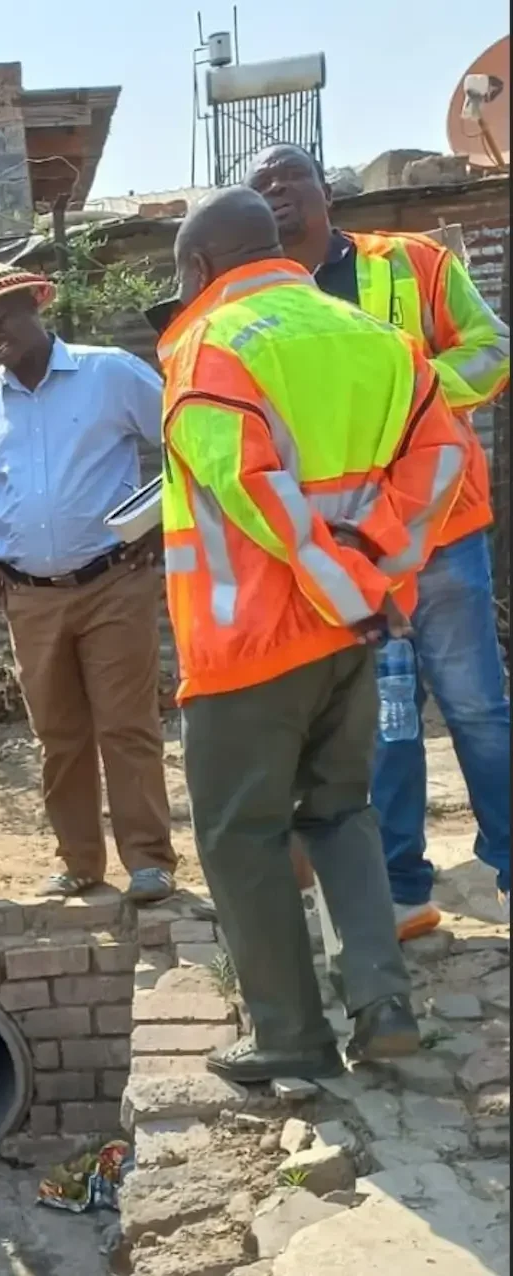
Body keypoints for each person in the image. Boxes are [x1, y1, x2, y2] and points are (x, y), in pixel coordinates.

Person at [159, 188, 467, 1081]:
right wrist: (371, 581)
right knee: (341, 813)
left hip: (246, 644)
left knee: (241, 835)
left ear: (199, 270)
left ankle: (291, 1036)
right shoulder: (381, 341)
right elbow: (443, 459)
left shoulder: (210, 351)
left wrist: (341, 587)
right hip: (352, 639)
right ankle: (383, 1005)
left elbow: (255, 496)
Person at [247, 144, 511, 934]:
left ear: (323, 190)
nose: (275, 193)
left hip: (440, 530)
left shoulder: (413, 264)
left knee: (476, 707)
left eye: (286, 178)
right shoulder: (261, 307)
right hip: (352, 551)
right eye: (259, 188)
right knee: (388, 722)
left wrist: (419, 391)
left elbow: (492, 348)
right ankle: (405, 891)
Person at [0, 238, 178, 904]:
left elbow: (185, 436)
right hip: (31, 597)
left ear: (33, 306)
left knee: (127, 725)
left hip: (114, 582)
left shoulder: (110, 374)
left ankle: (149, 863)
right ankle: (79, 862)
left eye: (3, 318)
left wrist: (161, 515)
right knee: (59, 736)